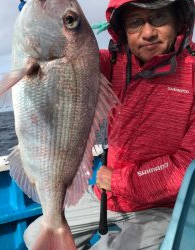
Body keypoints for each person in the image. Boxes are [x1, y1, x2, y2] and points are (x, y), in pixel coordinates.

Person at [25, 0, 195, 249]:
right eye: (136, 22)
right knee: (34, 236)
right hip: (107, 196)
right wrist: (41, 18)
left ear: (179, 21)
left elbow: (187, 165)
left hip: (162, 205)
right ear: (122, 30)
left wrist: (119, 181)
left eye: (159, 18)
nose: (148, 33)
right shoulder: (111, 64)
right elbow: (66, 56)